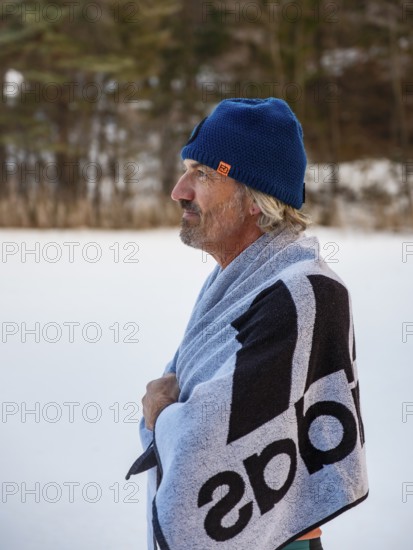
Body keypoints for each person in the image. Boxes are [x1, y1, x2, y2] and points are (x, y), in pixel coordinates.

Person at [126, 98, 369, 550]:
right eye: (186, 170)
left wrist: (161, 414)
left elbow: (211, 439)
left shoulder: (304, 293)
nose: (179, 190)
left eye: (203, 173)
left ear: (256, 199)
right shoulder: (234, 283)